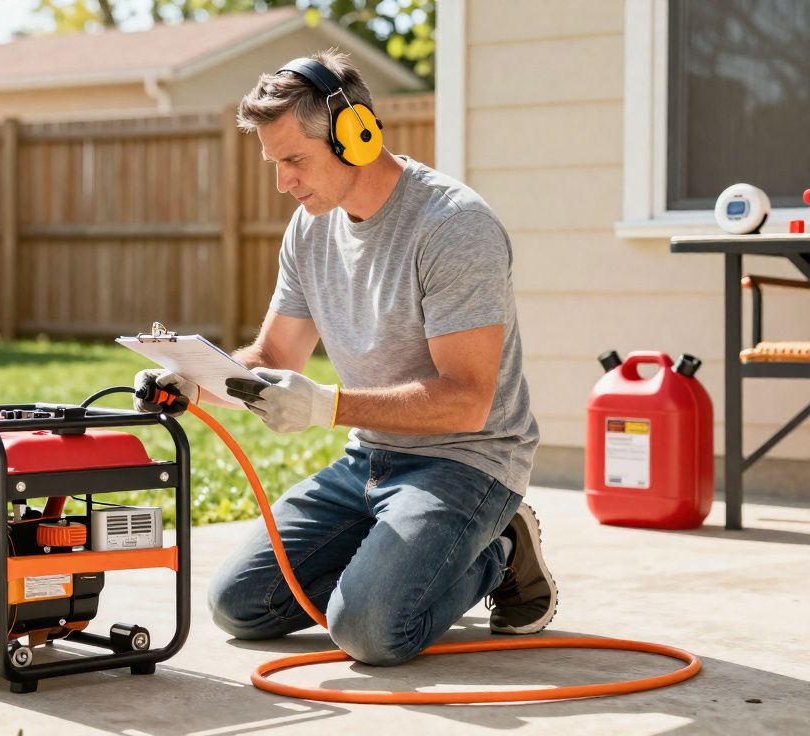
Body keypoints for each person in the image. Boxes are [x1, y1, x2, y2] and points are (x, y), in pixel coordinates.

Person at [133, 49, 555, 666]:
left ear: (356, 134)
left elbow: (468, 399)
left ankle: (497, 550)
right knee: (239, 606)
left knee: (369, 632)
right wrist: (192, 381)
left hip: (467, 462)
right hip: (370, 460)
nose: (283, 182)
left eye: (295, 160)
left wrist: (327, 406)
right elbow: (275, 354)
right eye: (274, 164)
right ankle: (394, 562)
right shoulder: (310, 228)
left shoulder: (453, 226)